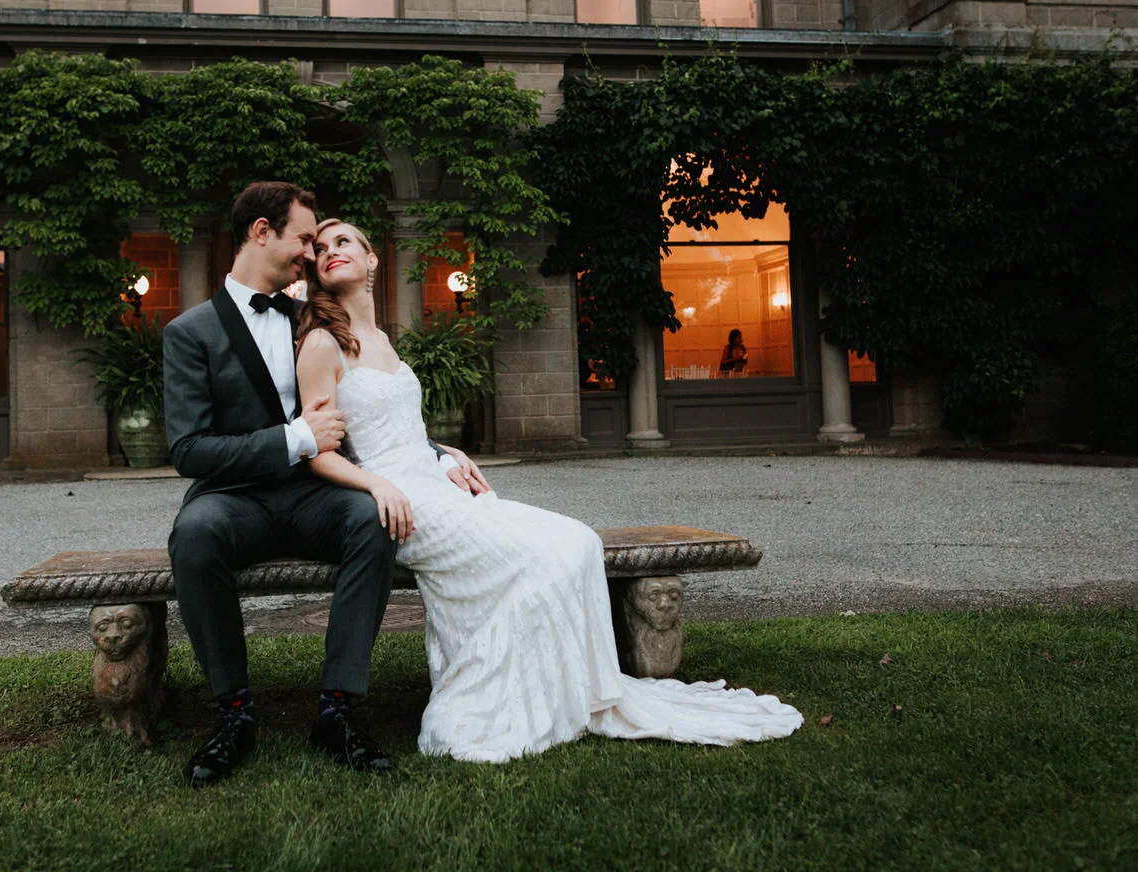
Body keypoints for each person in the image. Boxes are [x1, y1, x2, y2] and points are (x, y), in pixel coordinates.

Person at [295, 219, 803, 763]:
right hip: (403, 503)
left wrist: (447, 453)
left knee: (578, 542)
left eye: (343, 241)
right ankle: (500, 699)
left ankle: (575, 690)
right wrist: (376, 483)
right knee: (545, 555)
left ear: (373, 259)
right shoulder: (323, 344)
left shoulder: (381, 340)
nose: (330, 251)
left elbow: (403, 429)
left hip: (436, 481)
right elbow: (316, 449)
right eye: (321, 248)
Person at [161, 182, 470, 788]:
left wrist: (436, 454)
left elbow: (374, 405)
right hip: (235, 498)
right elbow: (189, 450)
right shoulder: (190, 333)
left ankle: (337, 709)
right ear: (260, 233)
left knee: (373, 521)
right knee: (193, 537)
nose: (310, 252)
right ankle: (233, 714)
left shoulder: (315, 314)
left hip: (314, 494)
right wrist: (294, 439)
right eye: (303, 238)